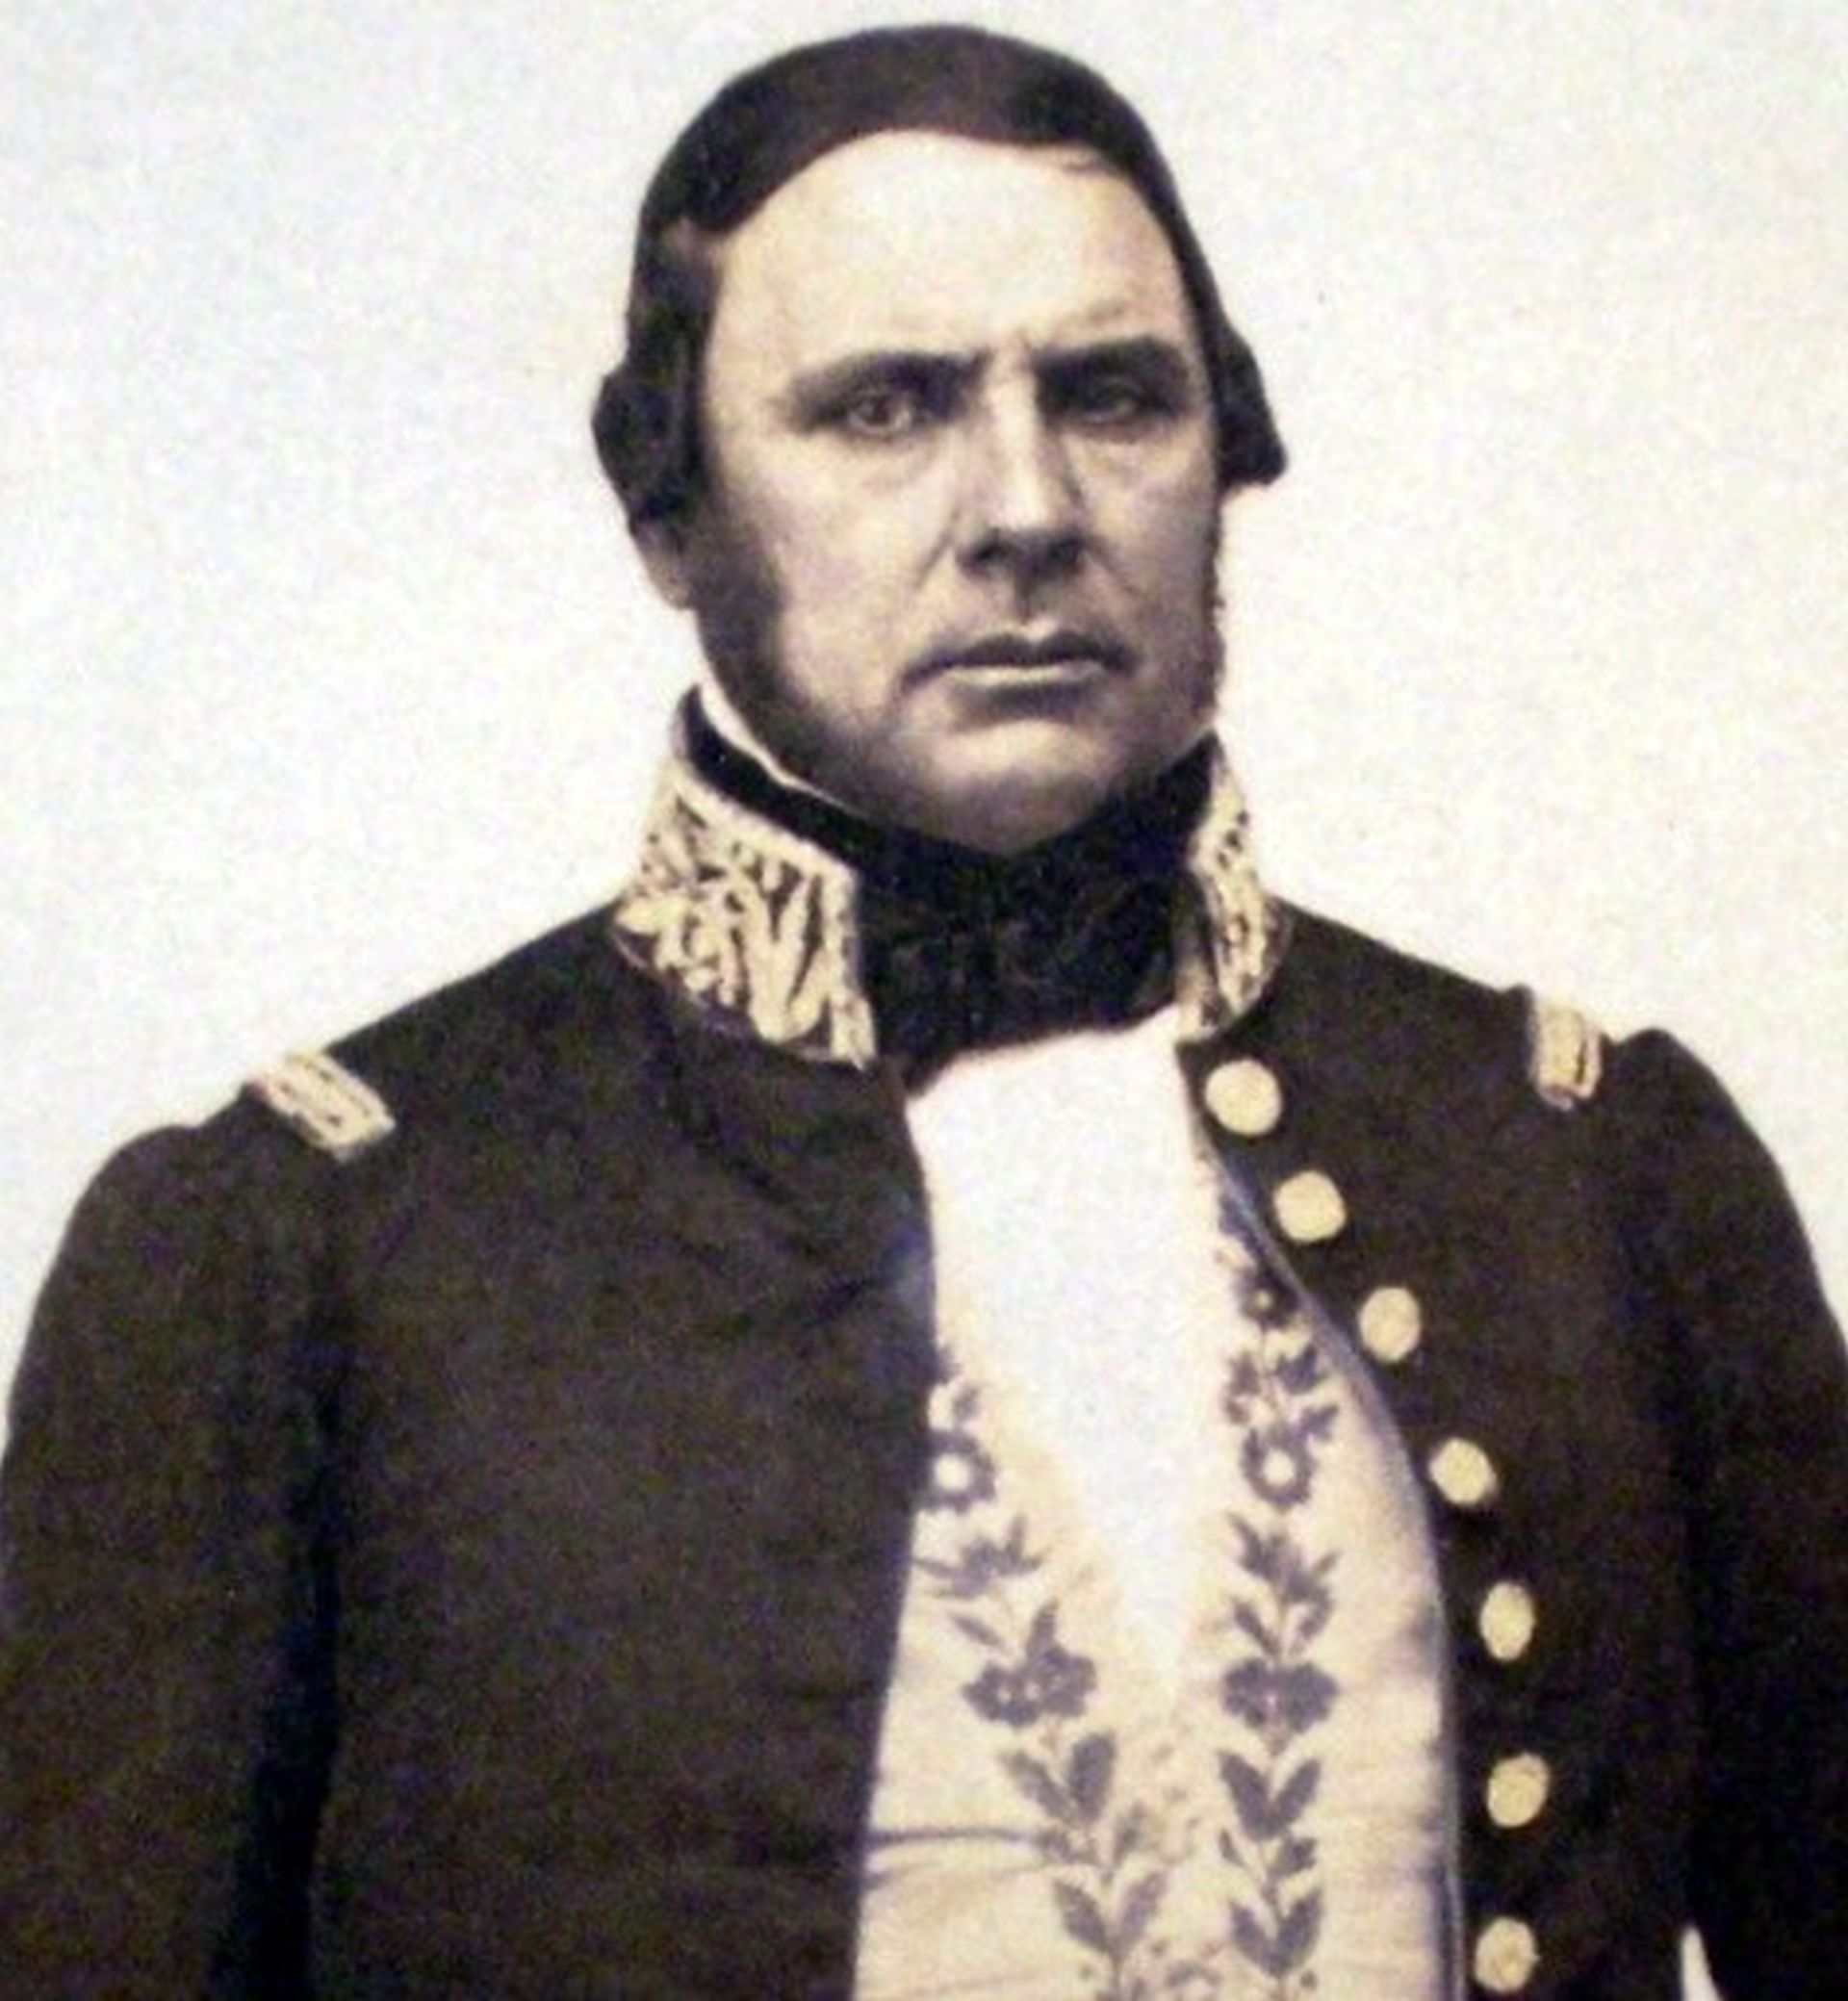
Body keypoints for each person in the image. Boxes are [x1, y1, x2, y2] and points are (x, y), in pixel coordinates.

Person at [2, 23, 1844, 2000]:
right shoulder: (303, 1246)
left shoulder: (1593, 1172)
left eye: (1114, 397)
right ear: (668, 512)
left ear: (1225, 456)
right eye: (886, 410)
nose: (1028, 506)